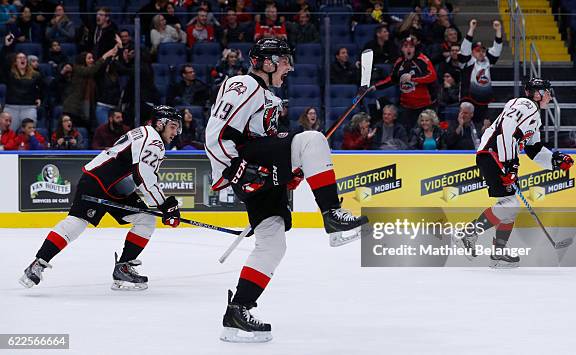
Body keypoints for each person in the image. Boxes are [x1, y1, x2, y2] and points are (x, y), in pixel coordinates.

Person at [205, 38, 368, 343]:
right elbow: (215, 135)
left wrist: (290, 171)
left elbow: (271, 139)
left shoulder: (268, 97)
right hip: (244, 166)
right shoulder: (244, 84)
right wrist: (237, 171)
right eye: (284, 61)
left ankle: (237, 312)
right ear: (266, 62)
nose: (289, 68)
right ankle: (332, 215)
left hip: (257, 171)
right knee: (313, 140)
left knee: (272, 243)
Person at [19, 106, 182, 291]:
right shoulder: (154, 141)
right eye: (173, 126)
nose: (176, 132)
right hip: (98, 182)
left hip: (116, 188)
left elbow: (140, 175)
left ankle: (124, 268)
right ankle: (38, 263)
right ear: (160, 124)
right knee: (77, 222)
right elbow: (144, 176)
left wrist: (164, 206)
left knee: (145, 219)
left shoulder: (145, 133)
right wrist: (166, 205)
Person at [453, 78, 574, 268]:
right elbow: (506, 130)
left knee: (509, 207)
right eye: (546, 91)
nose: (550, 95)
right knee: (510, 203)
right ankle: (469, 233)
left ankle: (498, 253)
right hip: (494, 154)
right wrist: (510, 164)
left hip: (499, 156)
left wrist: (554, 160)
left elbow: (533, 148)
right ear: (536, 93)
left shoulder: (535, 116)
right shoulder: (524, 104)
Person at [373, 36, 437, 130]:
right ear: (402, 49)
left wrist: (413, 79)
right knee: (405, 132)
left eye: (411, 46)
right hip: (406, 106)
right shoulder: (399, 62)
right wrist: (375, 87)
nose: (408, 49)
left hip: (424, 105)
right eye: (405, 46)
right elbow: (392, 79)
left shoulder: (422, 60)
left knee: (424, 132)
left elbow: (432, 76)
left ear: (415, 49)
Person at [458, 19, 503, 123]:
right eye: (478, 51)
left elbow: (497, 49)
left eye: (483, 51)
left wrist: (498, 30)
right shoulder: (468, 61)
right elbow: (465, 49)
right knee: (465, 123)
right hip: (468, 99)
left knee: (484, 126)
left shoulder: (487, 61)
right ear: (472, 52)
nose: (481, 53)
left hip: (483, 100)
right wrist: (471, 29)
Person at [0, 34, 43, 132]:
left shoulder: (36, 75)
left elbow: (42, 88)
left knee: (30, 134)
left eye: (24, 57)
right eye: (19, 58)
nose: (22, 59)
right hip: (11, 107)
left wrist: (40, 97)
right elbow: (2, 63)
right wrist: (6, 46)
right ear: (15, 62)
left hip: (29, 107)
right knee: (7, 133)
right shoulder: (10, 74)